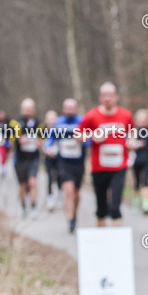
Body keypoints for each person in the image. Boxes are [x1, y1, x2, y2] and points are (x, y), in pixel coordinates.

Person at [78, 82, 134, 226]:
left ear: (116, 97)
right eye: (104, 95)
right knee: (101, 207)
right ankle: (101, 233)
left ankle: (117, 235)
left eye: (110, 95)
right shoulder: (91, 116)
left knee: (115, 207)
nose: (107, 98)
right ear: (100, 97)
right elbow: (78, 137)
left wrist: (132, 141)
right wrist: (91, 136)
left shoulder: (126, 115)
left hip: (119, 165)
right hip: (99, 166)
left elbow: (132, 132)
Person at [46, 98, 86, 233]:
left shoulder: (82, 121)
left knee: (76, 193)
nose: (69, 110)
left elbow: (89, 139)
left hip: (79, 163)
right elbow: (51, 137)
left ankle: (74, 213)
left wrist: (83, 140)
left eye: (72, 108)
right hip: (63, 162)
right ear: (63, 109)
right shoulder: (58, 122)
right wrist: (48, 147)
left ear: (76, 108)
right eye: (67, 108)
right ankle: (70, 219)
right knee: (68, 190)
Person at [11, 98, 43, 218]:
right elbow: (10, 142)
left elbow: (42, 141)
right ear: (21, 110)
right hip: (20, 159)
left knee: (32, 182)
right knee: (23, 185)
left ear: (33, 110)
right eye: (25, 109)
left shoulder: (39, 124)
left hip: (33, 158)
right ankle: (23, 206)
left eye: (29, 109)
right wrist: (18, 140)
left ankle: (34, 207)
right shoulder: (15, 124)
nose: (27, 111)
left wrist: (39, 143)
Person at [130, 109, 148, 213]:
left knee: (146, 181)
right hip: (136, 160)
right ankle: (136, 198)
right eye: (141, 119)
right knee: (137, 182)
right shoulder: (134, 130)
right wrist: (136, 144)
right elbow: (131, 144)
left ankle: (146, 203)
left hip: (146, 160)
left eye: (145, 120)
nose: (143, 122)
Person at [42, 109, 61, 211]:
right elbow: (40, 143)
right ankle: (50, 198)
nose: (51, 121)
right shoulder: (43, 130)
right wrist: (46, 151)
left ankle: (60, 196)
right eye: (49, 119)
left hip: (59, 158)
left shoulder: (60, 130)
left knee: (59, 177)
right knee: (50, 177)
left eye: (53, 119)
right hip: (48, 158)